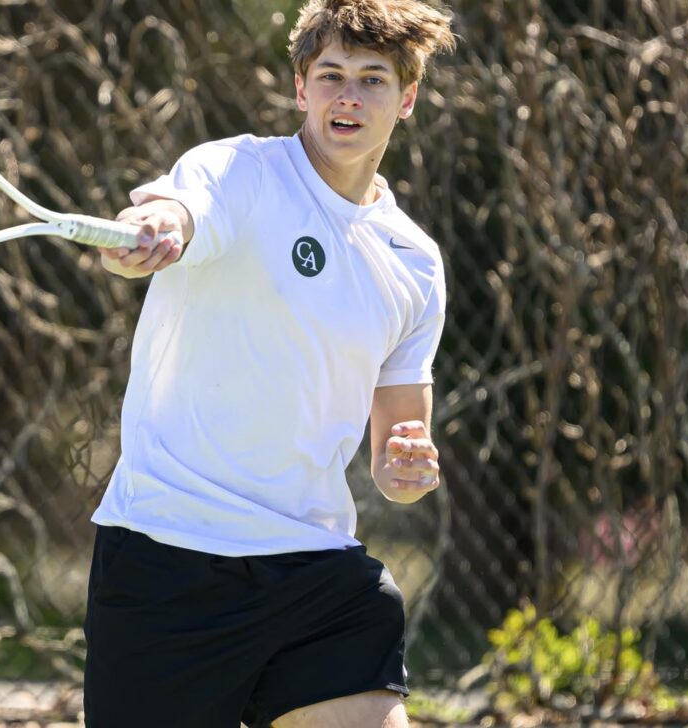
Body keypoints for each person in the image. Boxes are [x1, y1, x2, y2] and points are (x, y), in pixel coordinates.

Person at [85, 0, 455, 725]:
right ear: (300, 88)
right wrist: (154, 227)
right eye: (331, 75)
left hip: (316, 571)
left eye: (373, 79)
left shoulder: (415, 261)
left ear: (407, 98)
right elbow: (181, 209)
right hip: (169, 557)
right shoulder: (239, 171)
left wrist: (406, 469)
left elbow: (397, 456)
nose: (349, 95)